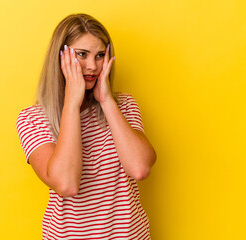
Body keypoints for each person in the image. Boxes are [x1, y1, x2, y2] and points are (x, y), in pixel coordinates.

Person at [16, 13, 156, 240]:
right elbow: (67, 184)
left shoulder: (125, 106)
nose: (92, 66)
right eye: (82, 54)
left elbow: (139, 168)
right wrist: (71, 105)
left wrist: (107, 101)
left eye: (100, 55)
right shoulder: (33, 119)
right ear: (59, 58)